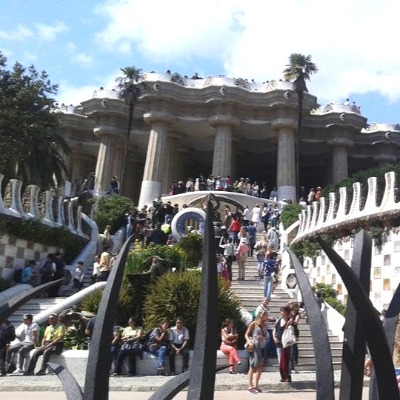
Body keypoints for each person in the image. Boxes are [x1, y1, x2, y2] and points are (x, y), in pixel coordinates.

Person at [245, 310, 269, 393]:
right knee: (252, 365)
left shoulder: (265, 325)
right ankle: (250, 385)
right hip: (254, 346)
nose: (267, 316)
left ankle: (256, 384)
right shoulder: (254, 323)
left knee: (260, 366)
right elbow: (246, 334)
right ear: (261, 315)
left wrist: (263, 336)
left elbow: (265, 335)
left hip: (262, 346)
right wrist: (249, 341)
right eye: (265, 315)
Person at [273, 306, 292, 382]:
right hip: (279, 343)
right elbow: (275, 329)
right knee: (280, 360)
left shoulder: (289, 320)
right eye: (280, 311)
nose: (281, 312)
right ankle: (283, 376)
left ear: (286, 312)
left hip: (287, 343)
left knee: (287, 360)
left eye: (282, 311)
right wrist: (274, 337)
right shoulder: (278, 320)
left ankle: (288, 375)